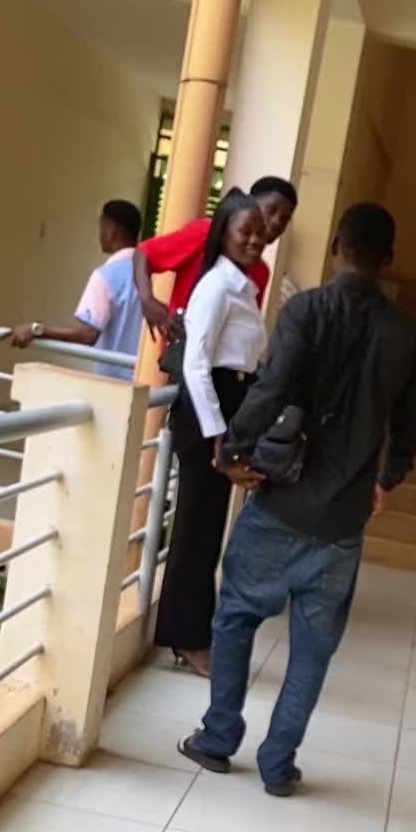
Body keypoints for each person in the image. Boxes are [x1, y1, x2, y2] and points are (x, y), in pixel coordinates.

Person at [178, 201, 416, 795]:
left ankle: (219, 737)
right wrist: (388, 479)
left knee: (235, 616)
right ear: (388, 259)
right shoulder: (408, 337)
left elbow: (271, 389)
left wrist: (232, 449)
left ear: (337, 246)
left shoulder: (306, 311)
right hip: (341, 523)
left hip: (278, 501)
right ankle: (278, 764)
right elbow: (412, 427)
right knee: (313, 652)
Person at [153, 190, 267, 675]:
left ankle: (197, 633)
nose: (256, 239)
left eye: (260, 232)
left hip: (227, 412)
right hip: (207, 416)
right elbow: (197, 365)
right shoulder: (216, 287)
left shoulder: (243, 287)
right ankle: (186, 639)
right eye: (246, 231)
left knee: (207, 530)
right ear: (223, 233)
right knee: (195, 532)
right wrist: (217, 432)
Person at [133, 176, 297, 336]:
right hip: (185, 347)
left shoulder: (261, 271)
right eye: (271, 210)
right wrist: (147, 299)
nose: (277, 222)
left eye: (284, 219)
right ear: (251, 203)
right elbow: (145, 252)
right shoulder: (205, 233)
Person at [4, 199, 142, 378]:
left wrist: (36, 329)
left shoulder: (106, 276)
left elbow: (88, 335)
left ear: (111, 230)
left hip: (116, 383)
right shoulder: (153, 273)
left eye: (101, 227)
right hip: (151, 384)